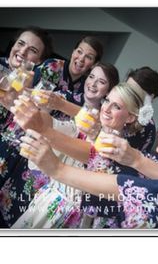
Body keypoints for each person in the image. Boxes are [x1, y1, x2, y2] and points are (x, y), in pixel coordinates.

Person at [16, 106, 158, 228]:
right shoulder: (153, 159)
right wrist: (46, 132)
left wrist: (56, 163)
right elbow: (96, 155)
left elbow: (121, 185)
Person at [12, 82, 150, 228]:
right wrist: (22, 102)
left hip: (68, 216)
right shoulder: (83, 128)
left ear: (130, 118)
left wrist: (46, 118)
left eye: (117, 106)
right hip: (46, 201)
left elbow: (89, 153)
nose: (106, 109)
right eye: (107, 100)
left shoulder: (118, 151)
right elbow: (51, 124)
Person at [0, 34, 103, 227]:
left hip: (48, 145)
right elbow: (24, 91)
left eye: (88, 57)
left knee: (21, 196)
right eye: (79, 51)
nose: (81, 58)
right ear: (73, 52)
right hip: (21, 131)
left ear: (93, 64)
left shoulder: (88, 89)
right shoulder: (51, 67)